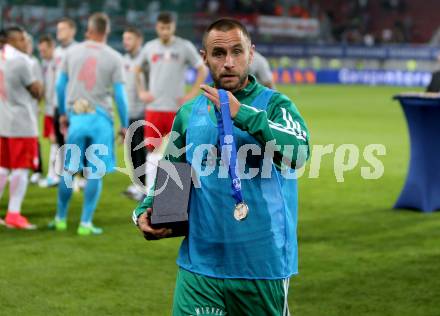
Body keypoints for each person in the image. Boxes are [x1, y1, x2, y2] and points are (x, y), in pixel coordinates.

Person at [133, 18, 310, 315]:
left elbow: (299, 154)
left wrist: (243, 115)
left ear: (250, 54)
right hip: (199, 265)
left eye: (237, 52)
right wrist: (147, 210)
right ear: (204, 58)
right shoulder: (189, 112)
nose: (229, 62)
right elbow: (173, 173)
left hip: (260, 266)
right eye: (218, 54)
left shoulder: (276, 106)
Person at [49, 12, 129, 235]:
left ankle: (60, 218)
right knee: (95, 172)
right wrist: (124, 125)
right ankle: (85, 224)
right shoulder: (114, 57)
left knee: (68, 170)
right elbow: (121, 96)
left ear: (89, 30)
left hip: (77, 116)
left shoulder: (71, 52)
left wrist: (63, 114)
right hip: (101, 120)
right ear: (106, 32)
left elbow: (59, 87)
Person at [137, 11, 208, 191]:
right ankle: (149, 192)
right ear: (157, 28)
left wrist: (192, 93)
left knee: (179, 150)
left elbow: (202, 69)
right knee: (152, 150)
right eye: (162, 28)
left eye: (168, 28)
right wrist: (142, 91)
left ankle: (176, 192)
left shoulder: (184, 47)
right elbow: (136, 69)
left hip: (177, 109)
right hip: (154, 108)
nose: (165, 31)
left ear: (173, 27)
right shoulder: (149, 47)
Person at [0, 26, 43, 229]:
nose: (26, 41)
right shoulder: (22, 61)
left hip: (3, 121)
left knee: (2, 169)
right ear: (13, 40)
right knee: (21, 170)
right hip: (22, 123)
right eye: (23, 38)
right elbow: (37, 92)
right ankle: (13, 214)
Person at [121, 26, 147, 201]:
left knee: (141, 152)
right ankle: (137, 184)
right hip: (128, 113)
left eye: (129, 38)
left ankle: (143, 187)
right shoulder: (123, 60)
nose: (125, 42)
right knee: (131, 151)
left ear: (139, 40)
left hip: (142, 112)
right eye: (124, 38)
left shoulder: (145, 61)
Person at [38, 34, 60, 187]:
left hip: (57, 109)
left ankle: (53, 175)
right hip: (48, 109)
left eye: (44, 50)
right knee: (55, 142)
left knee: (55, 141)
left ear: (52, 47)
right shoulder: (45, 63)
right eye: (40, 51)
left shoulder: (60, 61)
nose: (42, 53)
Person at [24, 32, 45, 185]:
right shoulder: (15, 61)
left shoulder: (33, 62)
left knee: (33, 138)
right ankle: (22, 168)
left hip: (30, 106)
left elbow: (39, 85)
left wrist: (37, 104)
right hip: (16, 108)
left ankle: (37, 170)